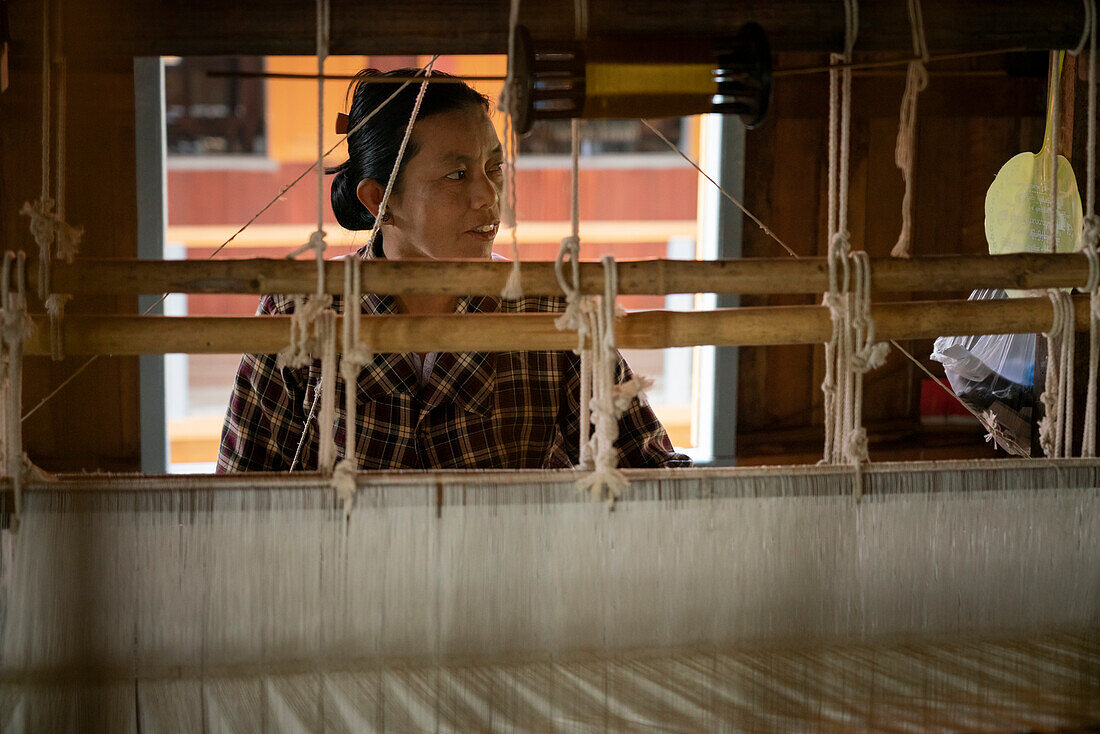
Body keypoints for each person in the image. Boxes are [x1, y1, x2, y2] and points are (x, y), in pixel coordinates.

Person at [217, 69, 691, 472]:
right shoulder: (300, 312)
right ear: (379, 199)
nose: (488, 196)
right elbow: (240, 499)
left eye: (494, 167)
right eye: (457, 175)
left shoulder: (552, 313)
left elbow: (648, 469)